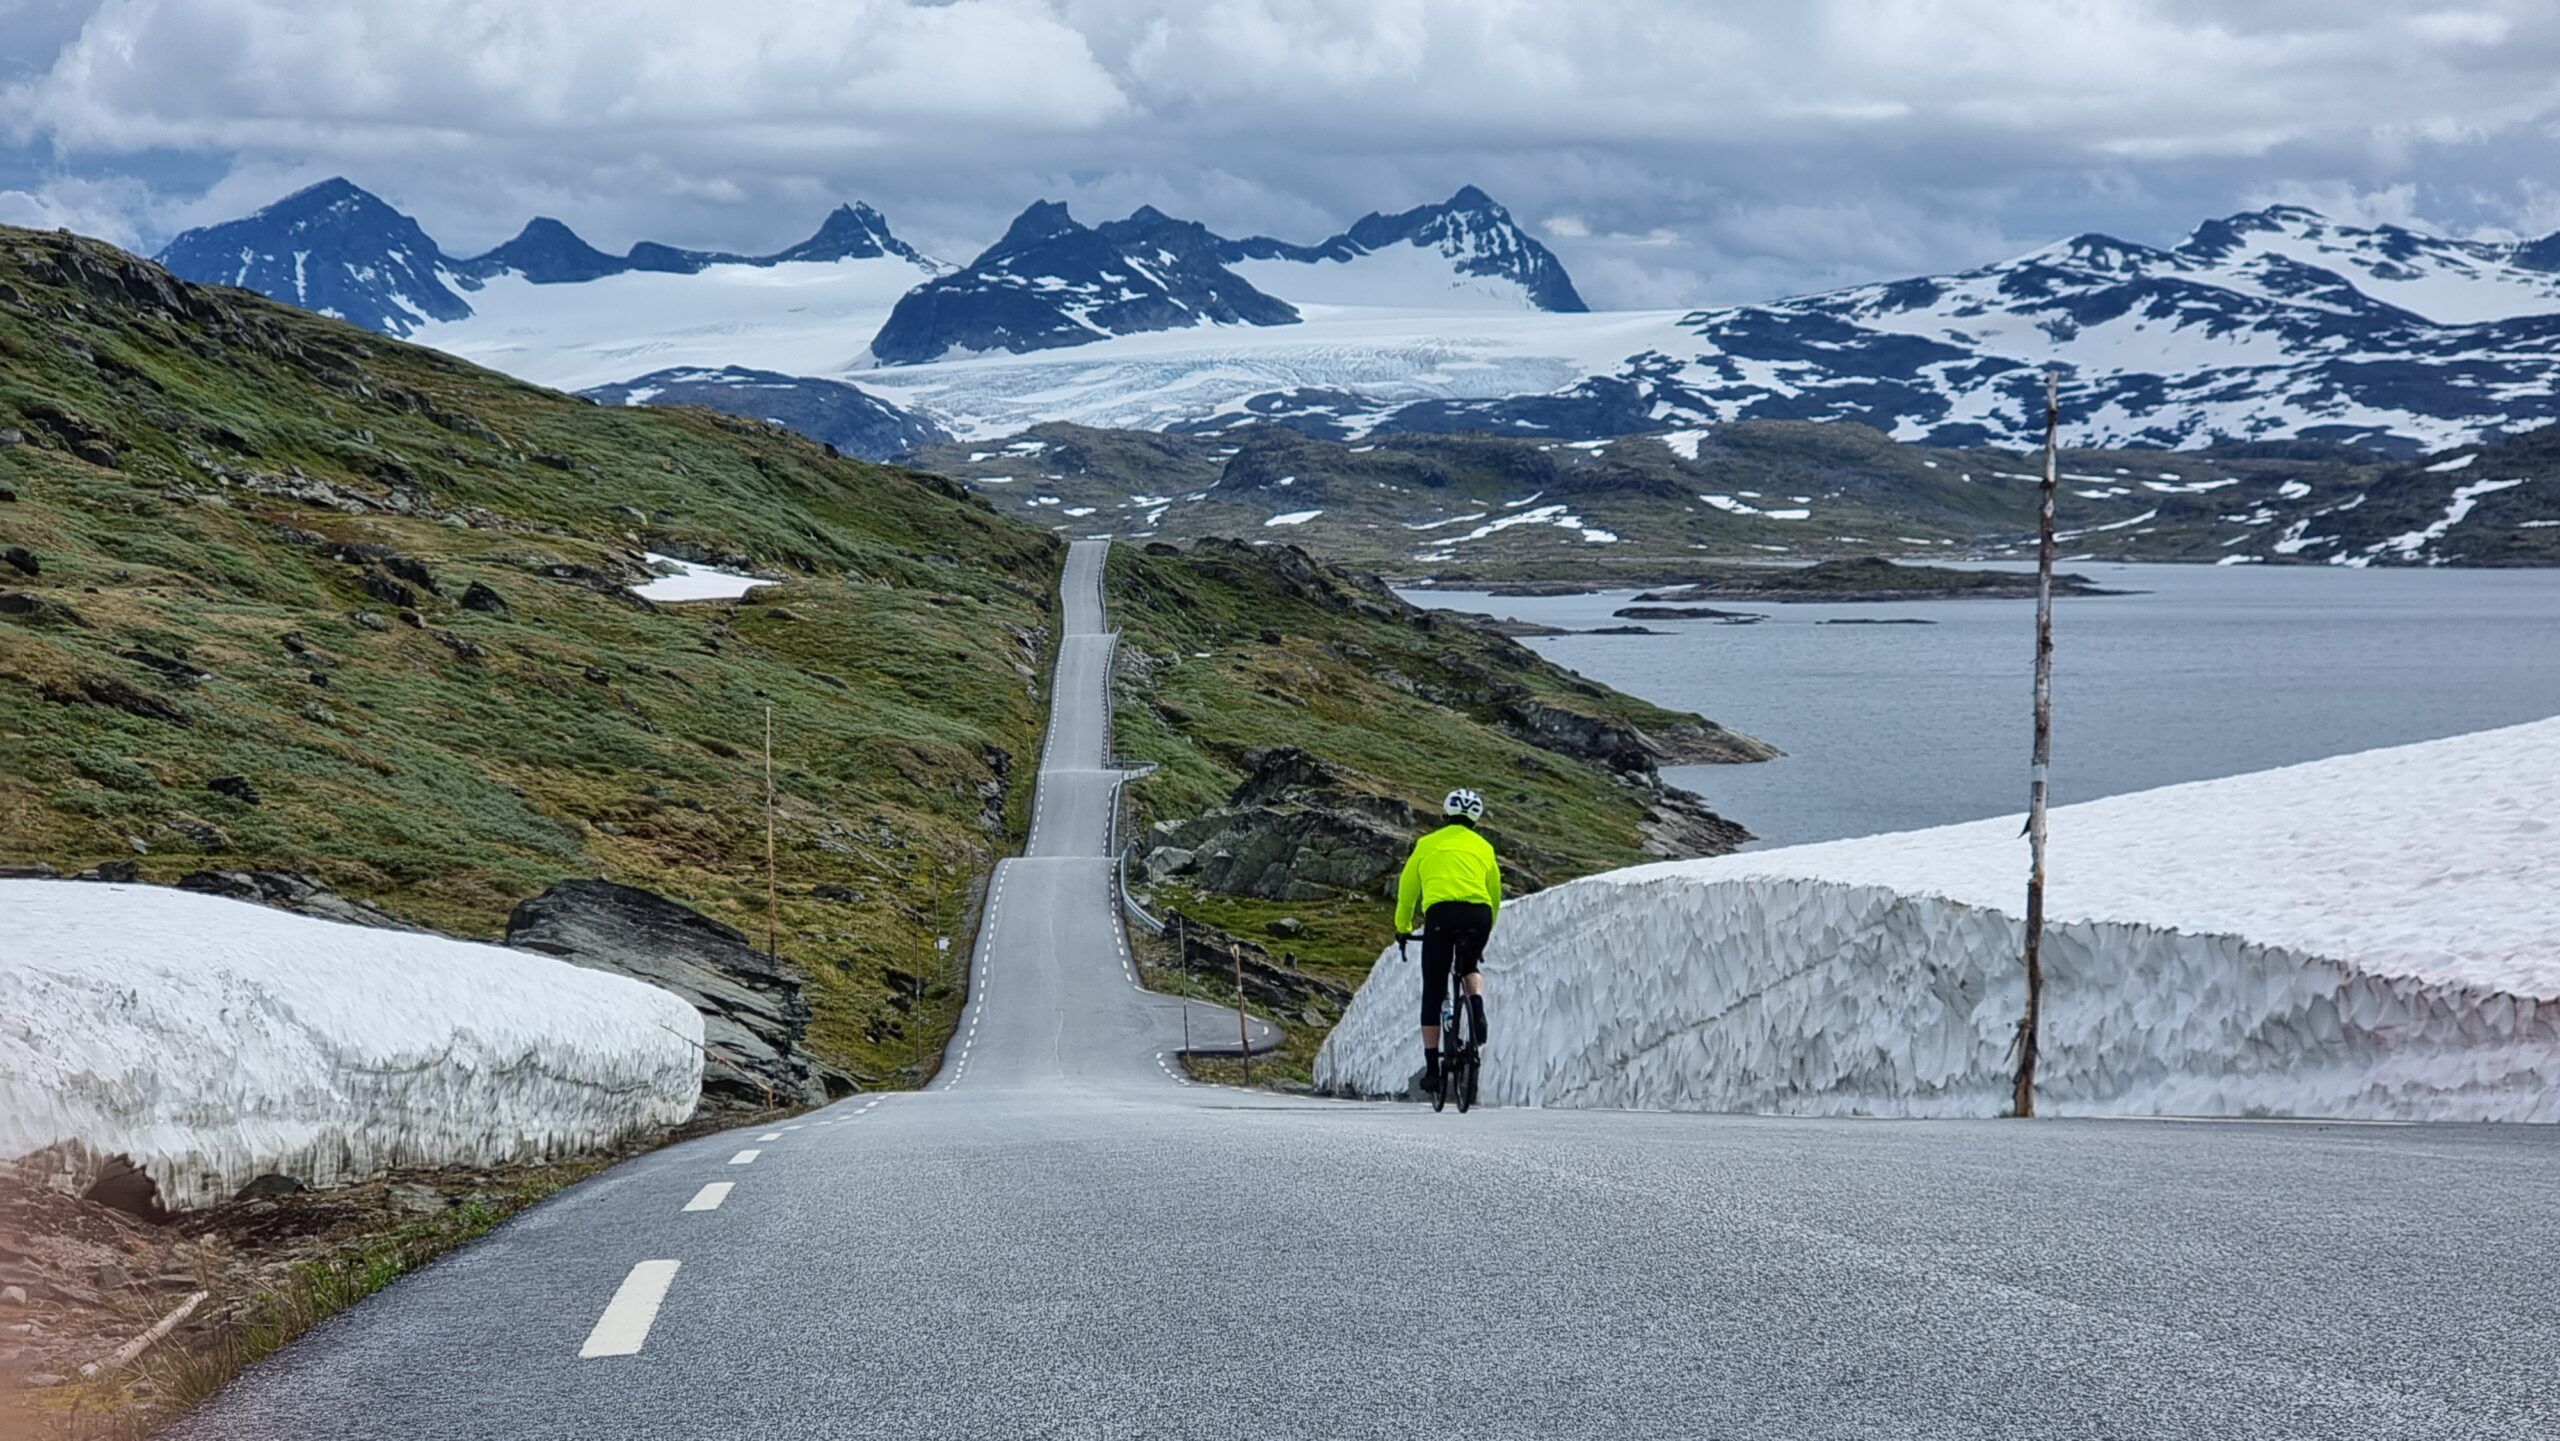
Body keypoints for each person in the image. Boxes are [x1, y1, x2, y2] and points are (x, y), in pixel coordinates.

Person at [1395, 787, 1502, 1089]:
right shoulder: (1484, 847)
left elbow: (1407, 892)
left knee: (1434, 987)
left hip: (1441, 916)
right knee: (1469, 966)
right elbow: (1494, 895)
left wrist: (1402, 927)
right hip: (1478, 914)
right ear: (1476, 820)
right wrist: (1485, 931)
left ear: (1445, 813)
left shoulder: (1427, 844)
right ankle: (1477, 1010)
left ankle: (1432, 1070)